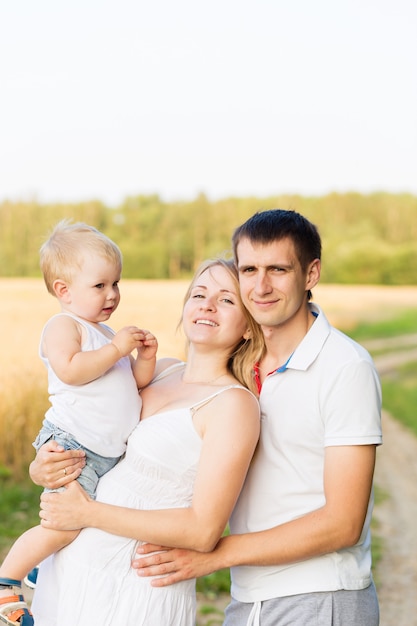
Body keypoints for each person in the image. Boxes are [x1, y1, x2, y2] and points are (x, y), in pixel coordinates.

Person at [131, 209, 383, 626]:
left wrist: (214, 553)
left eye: (278, 269)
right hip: (249, 597)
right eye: (248, 269)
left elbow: (344, 523)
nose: (261, 286)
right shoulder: (238, 369)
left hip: (321, 597)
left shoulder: (344, 366)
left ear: (311, 273)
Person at [29, 258, 264, 626]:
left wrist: (88, 513)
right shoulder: (160, 370)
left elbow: (203, 530)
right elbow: (84, 431)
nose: (207, 305)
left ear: (249, 326)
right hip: (74, 568)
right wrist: (43, 465)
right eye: (199, 294)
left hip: (134, 587)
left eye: (227, 300)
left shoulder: (234, 404)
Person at [0, 220, 157, 626]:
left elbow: (131, 385)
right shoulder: (64, 327)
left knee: (79, 526)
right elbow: (70, 370)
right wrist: (118, 346)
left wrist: (144, 359)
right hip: (73, 446)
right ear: (63, 291)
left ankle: (41, 565)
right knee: (64, 524)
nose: (112, 295)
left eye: (116, 284)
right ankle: (8, 580)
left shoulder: (104, 334)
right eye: (100, 286)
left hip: (102, 453)